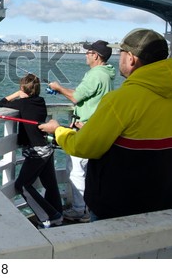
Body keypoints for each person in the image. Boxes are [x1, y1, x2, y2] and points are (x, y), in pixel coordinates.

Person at [39, 29, 172, 221]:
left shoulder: (121, 100)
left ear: (131, 59)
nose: (119, 58)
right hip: (166, 207)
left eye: (122, 53)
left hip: (120, 208)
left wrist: (57, 130)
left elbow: (82, 146)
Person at [47, 40, 116, 222]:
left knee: (76, 171)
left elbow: (76, 97)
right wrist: (64, 91)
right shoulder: (106, 74)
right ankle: (88, 208)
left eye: (88, 52)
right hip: (96, 126)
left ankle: (80, 210)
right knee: (88, 171)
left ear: (96, 55)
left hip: (86, 128)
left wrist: (58, 88)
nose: (85, 54)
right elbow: (84, 94)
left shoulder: (95, 74)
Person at [0, 73, 63, 228]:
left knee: (22, 185)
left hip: (37, 151)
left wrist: (16, 94)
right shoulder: (41, 101)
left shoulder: (23, 104)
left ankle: (48, 216)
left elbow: (2, 102)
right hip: (47, 148)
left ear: (23, 89)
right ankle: (58, 214)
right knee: (50, 183)